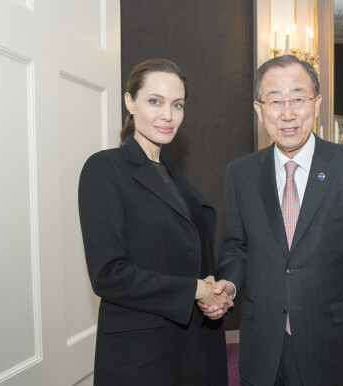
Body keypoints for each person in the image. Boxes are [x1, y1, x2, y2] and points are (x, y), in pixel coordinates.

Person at [202, 55, 343, 385]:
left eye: (298, 99)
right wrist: (228, 284)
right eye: (275, 101)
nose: (287, 113)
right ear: (259, 109)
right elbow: (236, 245)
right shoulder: (241, 173)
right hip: (263, 339)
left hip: (332, 339)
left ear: (316, 104)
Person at [78, 59, 231, 385]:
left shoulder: (175, 176)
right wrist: (196, 289)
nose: (168, 115)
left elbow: (189, 255)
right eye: (154, 101)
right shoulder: (105, 169)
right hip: (140, 356)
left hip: (193, 345)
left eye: (177, 105)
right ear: (130, 102)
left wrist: (213, 293)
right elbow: (108, 275)